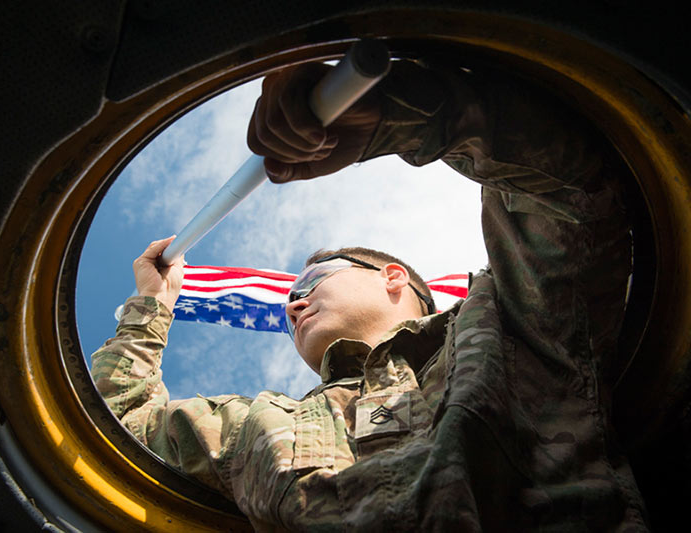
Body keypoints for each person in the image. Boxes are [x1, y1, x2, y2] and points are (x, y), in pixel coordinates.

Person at [91, 57, 649, 531]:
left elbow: (570, 191)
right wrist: (154, 305)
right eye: (289, 303)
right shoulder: (252, 427)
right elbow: (116, 431)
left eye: (311, 281)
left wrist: (394, 116)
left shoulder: (509, 318)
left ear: (393, 278)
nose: (292, 303)